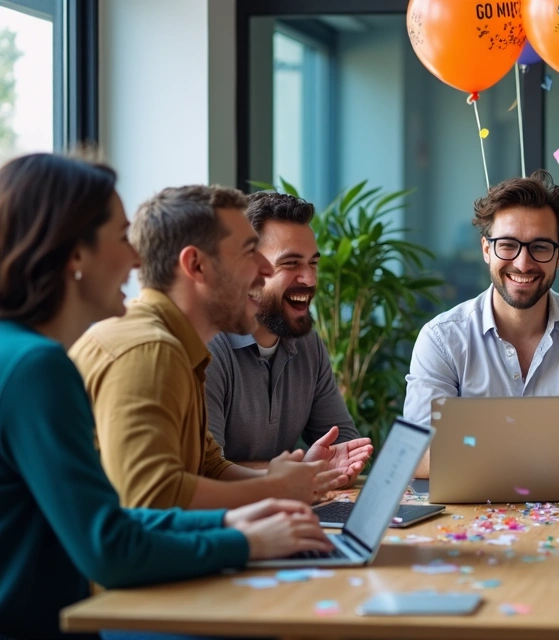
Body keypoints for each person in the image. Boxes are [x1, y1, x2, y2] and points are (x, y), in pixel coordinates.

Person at [0, 153, 332, 639]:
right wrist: (244, 537)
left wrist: (246, 517)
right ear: (75, 255)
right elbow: (112, 543)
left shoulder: (34, 355)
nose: (136, 260)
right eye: (120, 237)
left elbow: (117, 518)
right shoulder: (46, 365)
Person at [70, 184, 363, 510]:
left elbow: (209, 466)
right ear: (196, 265)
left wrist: (279, 483)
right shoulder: (151, 351)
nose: (263, 269)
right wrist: (249, 533)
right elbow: (151, 500)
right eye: (247, 252)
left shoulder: (181, 345)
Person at [402, 171, 559, 480]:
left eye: (540, 246)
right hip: (469, 514)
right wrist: (533, 465)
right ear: (487, 249)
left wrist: (552, 468)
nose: (523, 263)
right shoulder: (442, 338)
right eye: (507, 245)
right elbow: (417, 452)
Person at [206, 191, 371, 472]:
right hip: (226, 515)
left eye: (313, 263)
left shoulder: (307, 343)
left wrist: (323, 468)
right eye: (290, 263)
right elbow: (207, 471)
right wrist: (296, 472)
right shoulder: (208, 346)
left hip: (284, 509)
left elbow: (344, 445)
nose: (309, 278)